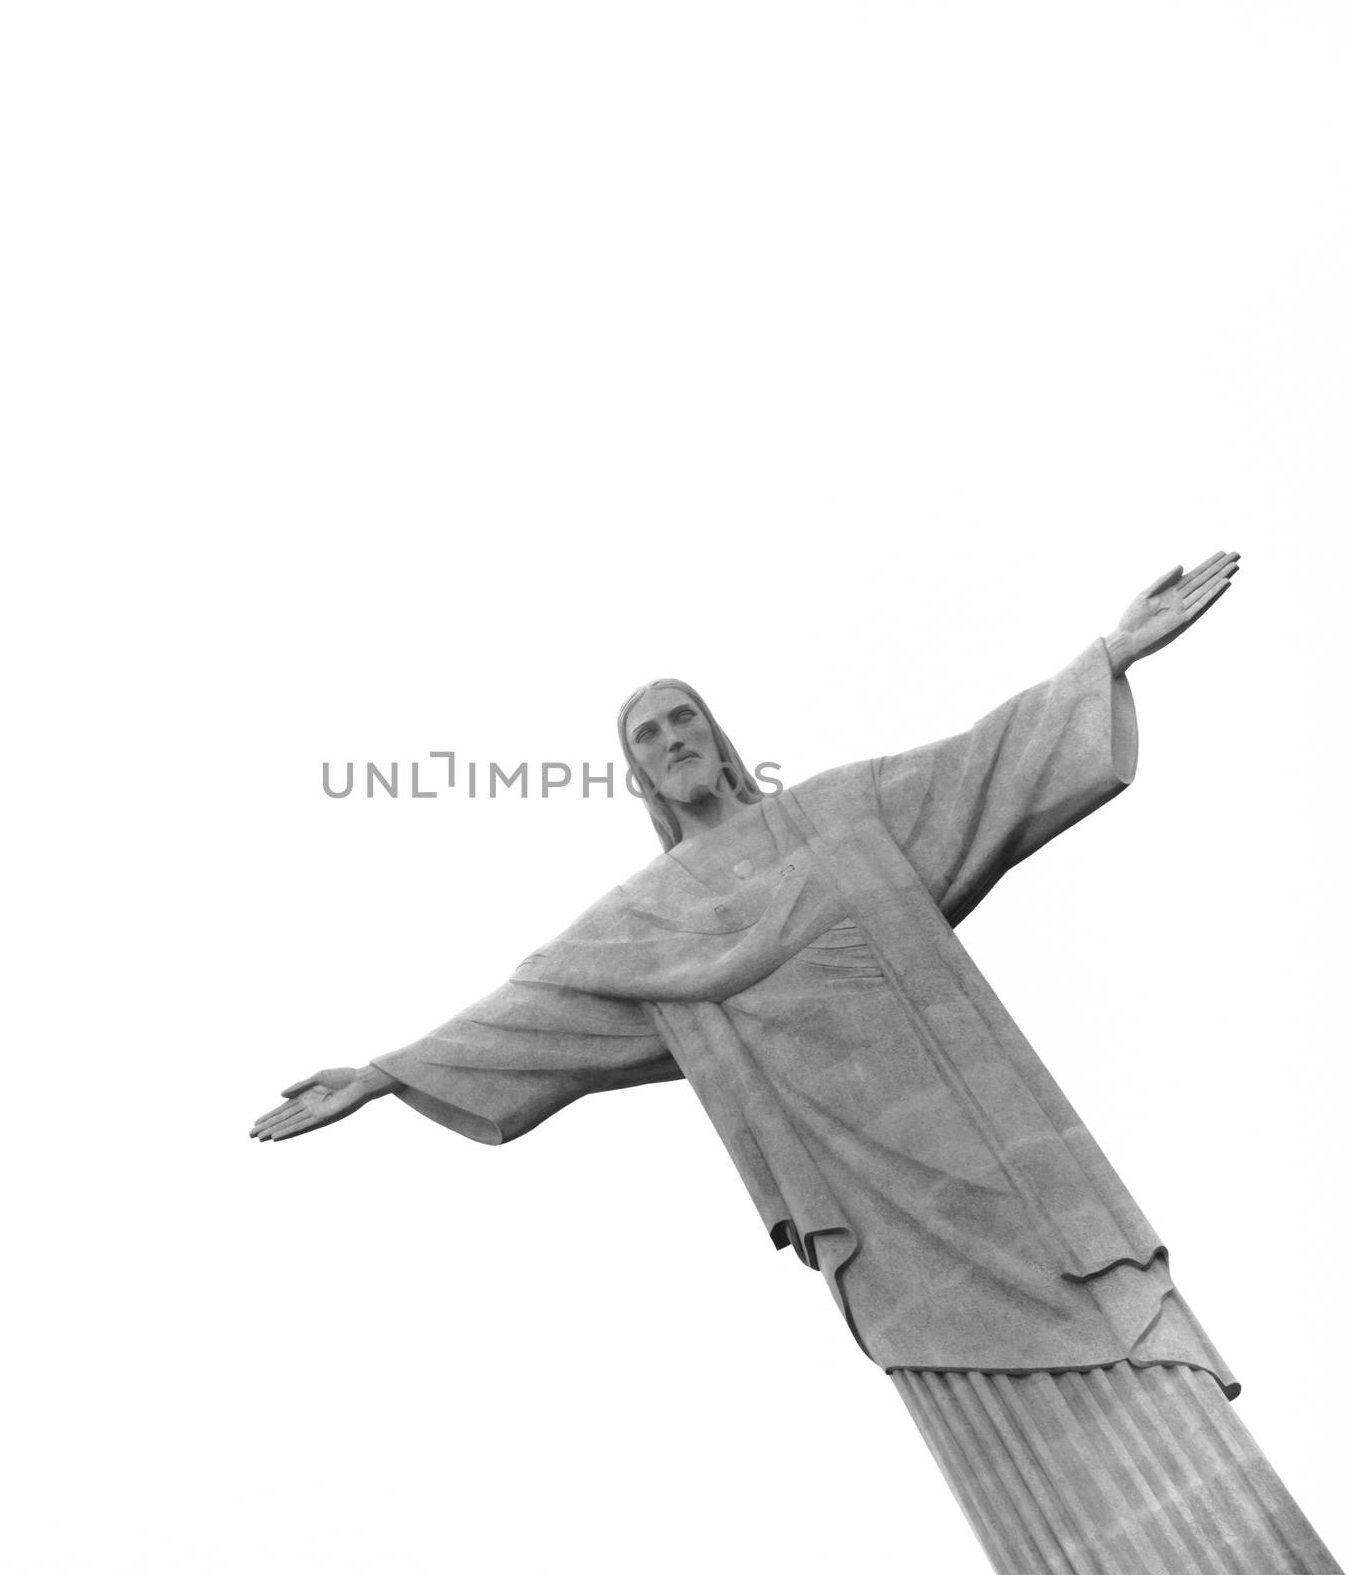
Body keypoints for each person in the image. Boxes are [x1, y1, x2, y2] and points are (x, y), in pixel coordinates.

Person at [253, 552, 1342, 1575]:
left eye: (686, 718)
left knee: (1141, 1359)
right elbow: (532, 1008)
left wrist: (1106, 656)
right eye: (649, 733)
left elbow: (984, 760)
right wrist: (385, 1072)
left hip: (1012, 1171)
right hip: (879, 1222)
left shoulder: (844, 811)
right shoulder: (643, 918)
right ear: (636, 772)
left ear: (723, 741)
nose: (673, 737)